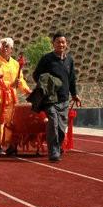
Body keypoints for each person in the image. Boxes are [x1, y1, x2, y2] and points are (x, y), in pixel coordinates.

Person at [32, 32, 81, 162]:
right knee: (53, 122)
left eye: (63, 42)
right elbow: (36, 75)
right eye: (58, 42)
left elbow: (72, 79)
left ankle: (58, 147)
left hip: (64, 99)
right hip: (50, 99)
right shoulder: (46, 59)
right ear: (53, 44)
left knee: (61, 128)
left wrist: (75, 94)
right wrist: (46, 84)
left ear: (66, 44)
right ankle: (53, 152)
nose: (61, 44)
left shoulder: (69, 60)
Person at [0, 38, 30, 156]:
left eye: (7, 46)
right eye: (3, 46)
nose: (5, 48)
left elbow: (20, 80)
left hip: (12, 97)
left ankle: (10, 145)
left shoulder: (15, 64)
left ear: (11, 49)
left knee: (11, 122)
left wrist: (27, 90)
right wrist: (9, 84)